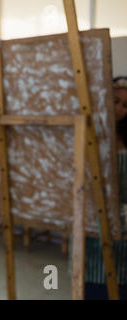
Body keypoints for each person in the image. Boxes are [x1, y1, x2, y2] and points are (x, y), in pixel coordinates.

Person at [83, 76, 127, 299]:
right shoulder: (89, 136)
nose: (119, 108)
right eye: (115, 101)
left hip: (122, 233)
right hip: (90, 232)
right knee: (92, 287)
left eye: (125, 105)